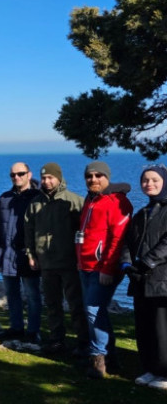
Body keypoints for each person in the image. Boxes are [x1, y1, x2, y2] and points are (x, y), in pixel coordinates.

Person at [24, 163, 89, 356]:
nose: (46, 181)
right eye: (43, 178)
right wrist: (31, 255)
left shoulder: (75, 201)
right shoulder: (35, 204)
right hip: (46, 263)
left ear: (59, 178)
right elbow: (28, 231)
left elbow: (85, 232)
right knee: (52, 305)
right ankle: (56, 340)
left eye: (50, 177)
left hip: (69, 263)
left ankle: (83, 342)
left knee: (76, 305)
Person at [77, 161, 132, 378]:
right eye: (89, 176)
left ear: (107, 177)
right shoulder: (90, 200)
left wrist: (108, 269)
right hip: (86, 265)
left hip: (103, 268)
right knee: (97, 313)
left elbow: (117, 239)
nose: (94, 179)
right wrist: (79, 260)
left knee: (93, 312)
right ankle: (110, 357)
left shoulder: (118, 201)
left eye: (99, 175)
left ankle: (97, 358)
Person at [121, 164, 167, 390]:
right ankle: (150, 368)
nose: (149, 184)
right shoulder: (142, 213)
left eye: (154, 180)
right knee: (144, 326)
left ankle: (165, 373)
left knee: (162, 328)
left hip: (162, 281)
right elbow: (128, 242)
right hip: (140, 280)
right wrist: (127, 263)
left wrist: (148, 261)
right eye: (146, 180)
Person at [0, 163, 42, 343]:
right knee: (12, 295)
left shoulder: (38, 198)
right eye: (13, 175)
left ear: (29, 174)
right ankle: (16, 327)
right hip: (7, 256)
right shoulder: (4, 198)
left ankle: (33, 331)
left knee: (33, 295)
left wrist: (36, 254)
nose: (16, 177)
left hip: (29, 257)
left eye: (20, 174)